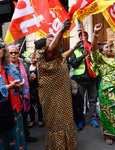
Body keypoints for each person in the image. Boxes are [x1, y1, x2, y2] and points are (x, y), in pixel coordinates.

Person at [34, 19, 79, 149]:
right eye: (51, 42)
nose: (56, 43)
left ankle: (68, 145)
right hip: (54, 101)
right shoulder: (43, 58)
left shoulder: (56, 59)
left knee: (67, 122)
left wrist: (74, 48)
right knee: (59, 125)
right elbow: (52, 52)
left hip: (63, 97)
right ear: (43, 48)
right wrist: (61, 30)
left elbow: (63, 55)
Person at [0, 39, 28, 149]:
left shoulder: (10, 66)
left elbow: (22, 88)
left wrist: (20, 88)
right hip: (2, 113)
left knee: (18, 142)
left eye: (1, 46)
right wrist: (8, 87)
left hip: (15, 111)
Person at [69, 31, 99, 128]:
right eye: (81, 36)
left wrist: (92, 59)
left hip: (92, 79)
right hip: (80, 80)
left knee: (92, 100)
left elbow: (98, 61)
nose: (83, 37)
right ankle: (80, 120)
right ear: (79, 38)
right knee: (80, 101)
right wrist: (82, 56)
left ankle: (93, 118)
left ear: (87, 36)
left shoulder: (93, 47)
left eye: (85, 35)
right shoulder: (75, 50)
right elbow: (73, 63)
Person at [8, 45, 37, 142]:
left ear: (18, 54)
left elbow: (27, 80)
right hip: (12, 96)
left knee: (24, 118)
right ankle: (16, 139)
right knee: (14, 119)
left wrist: (32, 79)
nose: (13, 55)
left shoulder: (24, 65)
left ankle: (26, 136)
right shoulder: (6, 66)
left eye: (15, 52)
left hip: (24, 95)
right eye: (11, 53)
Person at [28, 53, 44, 127]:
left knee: (39, 104)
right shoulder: (27, 67)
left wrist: (36, 78)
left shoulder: (39, 67)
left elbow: (42, 78)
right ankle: (32, 120)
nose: (32, 59)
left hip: (37, 88)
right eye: (30, 58)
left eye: (33, 58)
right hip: (29, 88)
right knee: (30, 104)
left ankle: (40, 120)